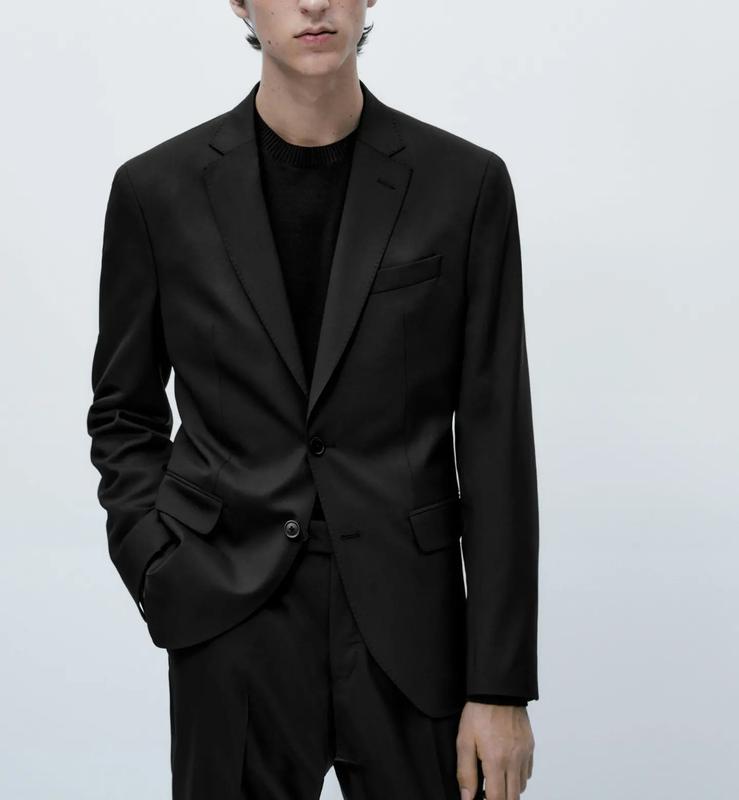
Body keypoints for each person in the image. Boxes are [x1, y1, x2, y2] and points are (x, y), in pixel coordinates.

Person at [86, 1, 540, 798]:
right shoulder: (156, 191)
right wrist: (157, 564)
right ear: (238, 2)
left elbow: (495, 439)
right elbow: (124, 410)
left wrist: (499, 686)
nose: (313, 4)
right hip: (228, 615)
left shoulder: (463, 185)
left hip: (411, 627)